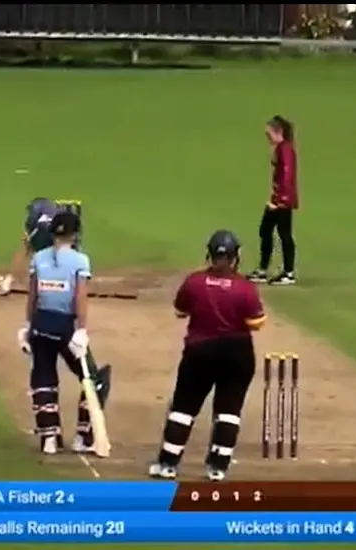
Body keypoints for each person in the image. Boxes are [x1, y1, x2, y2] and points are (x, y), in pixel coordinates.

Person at [148, 230, 265, 482]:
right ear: (236, 257)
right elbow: (256, 322)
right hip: (238, 352)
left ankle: (168, 464)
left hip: (201, 351)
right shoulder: (245, 287)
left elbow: (180, 311)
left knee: (184, 407)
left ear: (209, 254)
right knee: (229, 409)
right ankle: (218, 468)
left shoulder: (195, 282)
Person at [17, 211, 111, 456]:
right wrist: (81, 330)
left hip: (41, 324)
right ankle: (83, 435)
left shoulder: (38, 258)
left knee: (43, 378)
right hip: (65, 327)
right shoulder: (80, 261)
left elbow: (33, 296)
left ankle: (49, 438)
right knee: (94, 378)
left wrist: (28, 326)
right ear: (75, 234)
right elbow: (80, 297)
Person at [248, 115, 298, 285]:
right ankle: (263, 270)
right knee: (266, 230)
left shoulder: (285, 149)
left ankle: (288, 272)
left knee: (283, 234)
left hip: (283, 200)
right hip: (278, 198)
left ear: (279, 132)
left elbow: (287, 174)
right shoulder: (281, 148)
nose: (267, 138)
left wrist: (280, 200)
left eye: (269, 134)